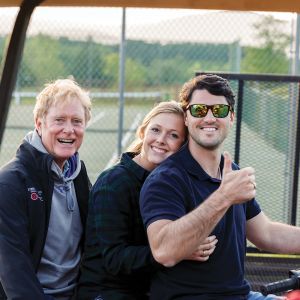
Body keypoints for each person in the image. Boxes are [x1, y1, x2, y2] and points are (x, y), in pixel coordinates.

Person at [139, 74, 299, 300]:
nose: (210, 117)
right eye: (199, 110)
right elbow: (164, 251)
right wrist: (224, 196)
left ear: (231, 117)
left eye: (220, 111)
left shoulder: (230, 172)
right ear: (186, 117)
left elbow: (266, 233)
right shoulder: (166, 179)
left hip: (240, 295)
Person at [76, 101, 218, 300]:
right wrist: (177, 251)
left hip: (148, 290)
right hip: (105, 293)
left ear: (183, 146)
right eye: (155, 130)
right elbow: (114, 259)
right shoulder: (114, 183)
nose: (161, 139)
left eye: (173, 135)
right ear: (142, 132)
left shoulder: (172, 185)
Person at [0, 78, 92, 300]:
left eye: (77, 121)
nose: (69, 130)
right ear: (39, 123)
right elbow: (14, 273)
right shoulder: (10, 183)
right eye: (59, 120)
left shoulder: (78, 174)